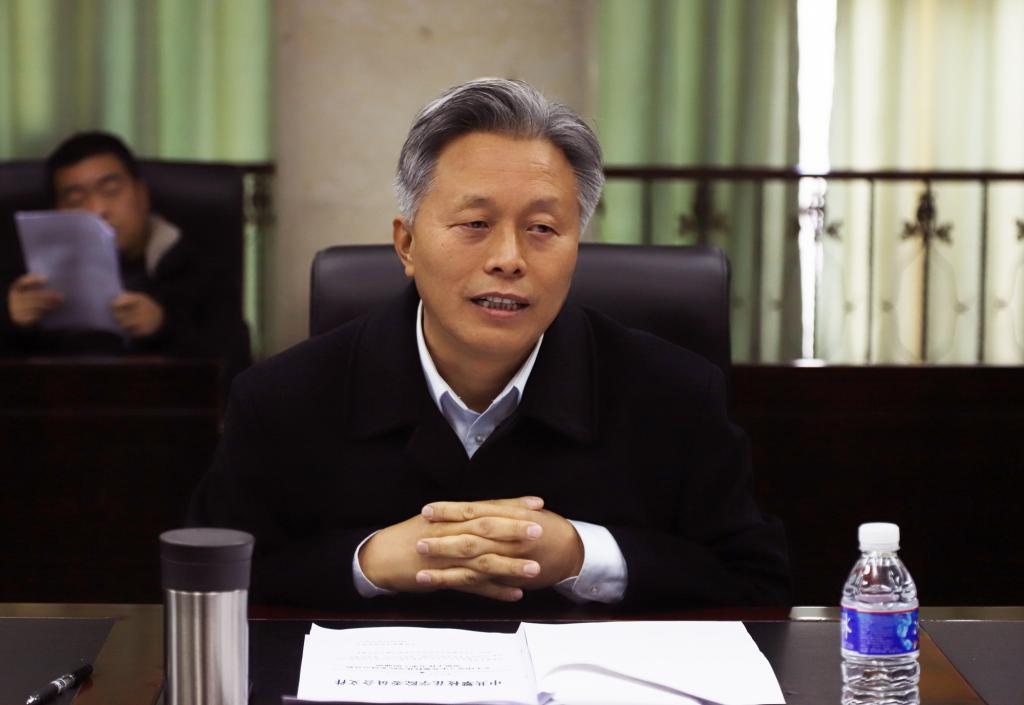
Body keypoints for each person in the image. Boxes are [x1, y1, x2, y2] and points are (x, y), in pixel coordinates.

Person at [188, 79, 790, 613]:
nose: (508, 259)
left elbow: (760, 585)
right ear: (406, 244)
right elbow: (209, 582)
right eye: (475, 224)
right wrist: (367, 563)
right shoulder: (280, 399)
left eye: (542, 228)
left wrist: (582, 555)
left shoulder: (674, 394)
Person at [0, 132, 250, 384]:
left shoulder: (200, 271)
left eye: (111, 191)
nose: (97, 210)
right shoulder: (25, 277)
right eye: (76, 199)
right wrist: (10, 321)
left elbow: (235, 370)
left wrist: (163, 327)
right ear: (56, 211)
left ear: (142, 195)